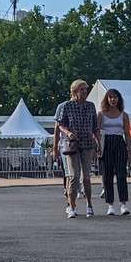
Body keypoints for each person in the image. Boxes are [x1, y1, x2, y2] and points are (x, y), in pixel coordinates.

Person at [54, 79, 100, 218]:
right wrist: (68, 133)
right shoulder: (67, 106)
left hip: (87, 144)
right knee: (73, 176)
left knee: (86, 177)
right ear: (74, 91)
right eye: (82, 89)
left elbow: (95, 127)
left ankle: (89, 204)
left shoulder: (91, 106)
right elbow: (60, 125)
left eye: (86, 89)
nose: (85, 92)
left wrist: (98, 144)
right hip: (72, 144)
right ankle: (71, 206)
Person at [96, 88, 131, 215]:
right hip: (106, 144)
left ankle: (123, 204)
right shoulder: (101, 114)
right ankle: (110, 205)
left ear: (119, 99)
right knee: (107, 175)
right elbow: (97, 132)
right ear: (107, 99)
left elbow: (127, 134)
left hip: (119, 142)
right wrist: (98, 147)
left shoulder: (124, 115)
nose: (113, 100)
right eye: (110, 97)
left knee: (121, 174)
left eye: (115, 97)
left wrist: (130, 149)